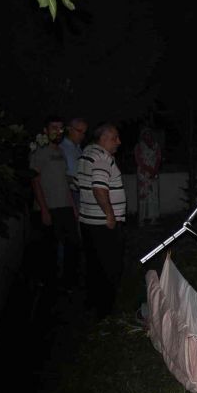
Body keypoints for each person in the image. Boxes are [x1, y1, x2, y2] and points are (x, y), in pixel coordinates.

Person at [76, 123, 126, 319]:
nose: (119, 142)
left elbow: (76, 182)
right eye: (115, 138)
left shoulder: (87, 153)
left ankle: (92, 302)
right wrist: (110, 214)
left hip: (88, 221)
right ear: (103, 138)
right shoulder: (103, 157)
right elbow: (99, 187)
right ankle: (105, 311)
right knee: (110, 267)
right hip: (103, 224)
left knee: (94, 265)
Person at [30, 115, 81, 291]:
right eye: (53, 128)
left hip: (65, 206)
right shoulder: (39, 151)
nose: (57, 131)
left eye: (60, 128)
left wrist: (74, 208)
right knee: (48, 249)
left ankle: (68, 282)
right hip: (49, 208)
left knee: (72, 244)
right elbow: (35, 181)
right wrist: (44, 210)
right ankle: (48, 284)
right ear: (45, 130)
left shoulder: (60, 152)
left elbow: (64, 182)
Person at [134, 127, 161, 226]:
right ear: (142, 136)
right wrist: (148, 170)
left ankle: (153, 218)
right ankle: (141, 219)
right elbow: (139, 161)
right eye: (145, 134)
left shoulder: (156, 146)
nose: (147, 136)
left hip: (154, 173)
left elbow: (158, 159)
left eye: (149, 134)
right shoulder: (139, 147)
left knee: (153, 196)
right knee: (143, 196)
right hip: (143, 174)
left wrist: (154, 171)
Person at [60, 117, 88, 210]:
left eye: (84, 132)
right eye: (79, 131)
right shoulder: (62, 148)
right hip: (69, 193)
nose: (82, 135)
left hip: (81, 193)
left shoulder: (79, 148)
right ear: (69, 129)